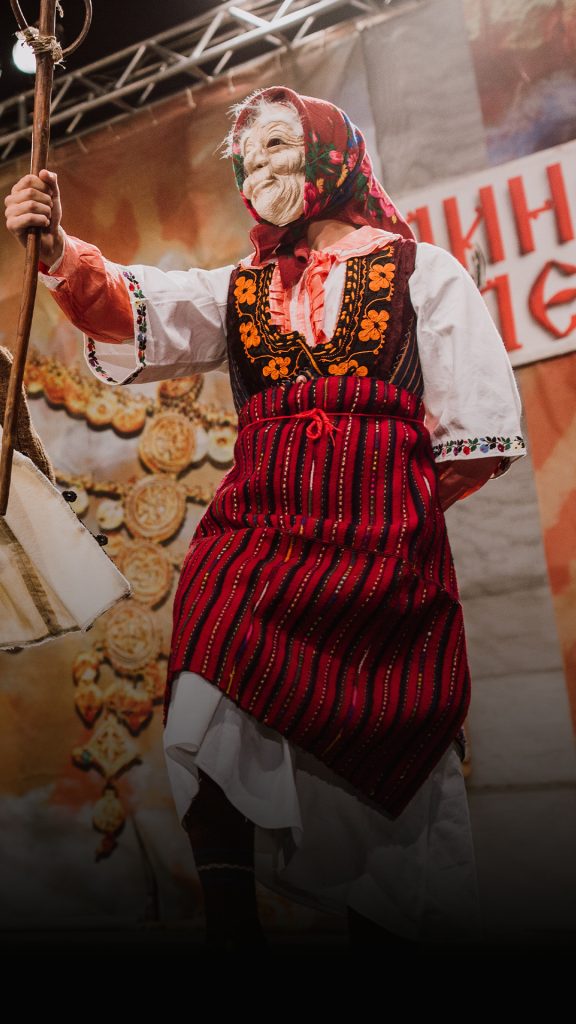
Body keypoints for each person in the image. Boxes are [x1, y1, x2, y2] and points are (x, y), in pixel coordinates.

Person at [4, 86, 526, 950]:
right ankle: (231, 927)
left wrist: (385, 501)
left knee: (386, 758)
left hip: (383, 549)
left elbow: (476, 430)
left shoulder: (420, 271)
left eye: (278, 145)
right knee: (205, 675)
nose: (258, 169)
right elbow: (143, 307)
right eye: (246, 159)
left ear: (332, 153)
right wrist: (60, 250)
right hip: (260, 531)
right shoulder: (240, 288)